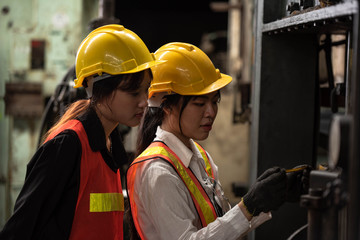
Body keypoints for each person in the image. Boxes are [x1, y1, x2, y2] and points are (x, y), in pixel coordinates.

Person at [126, 42, 309, 240]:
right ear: (166, 106)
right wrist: (248, 206)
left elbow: (220, 228)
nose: (211, 112)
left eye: (214, 101)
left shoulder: (199, 157)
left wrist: (264, 202)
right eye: (199, 103)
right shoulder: (157, 172)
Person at [0, 24, 163, 240]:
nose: (144, 102)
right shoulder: (68, 146)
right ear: (100, 89)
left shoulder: (110, 146)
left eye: (146, 90)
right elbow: (18, 230)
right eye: (133, 93)